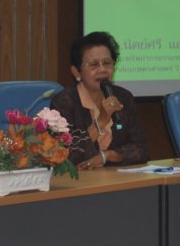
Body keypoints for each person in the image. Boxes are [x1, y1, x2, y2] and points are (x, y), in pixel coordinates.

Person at [50, 31, 148, 169]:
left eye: (107, 63)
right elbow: (65, 156)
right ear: (76, 72)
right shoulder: (64, 102)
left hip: (116, 177)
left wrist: (108, 156)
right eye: (94, 64)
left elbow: (142, 150)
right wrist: (101, 120)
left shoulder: (123, 97)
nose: (102, 70)